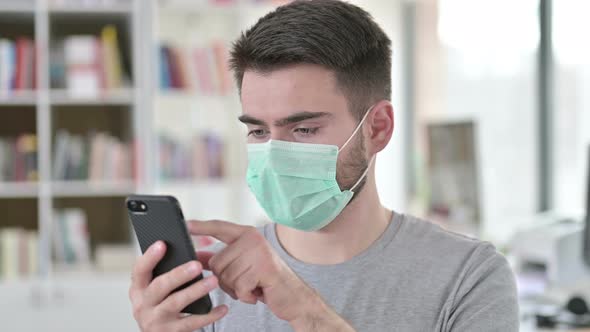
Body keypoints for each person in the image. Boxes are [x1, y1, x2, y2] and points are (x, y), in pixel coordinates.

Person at [128, 1, 519, 331]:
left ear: (378, 128)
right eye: (259, 131)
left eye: (304, 128)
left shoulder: (469, 277)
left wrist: (308, 314)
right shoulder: (214, 283)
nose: (275, 155)